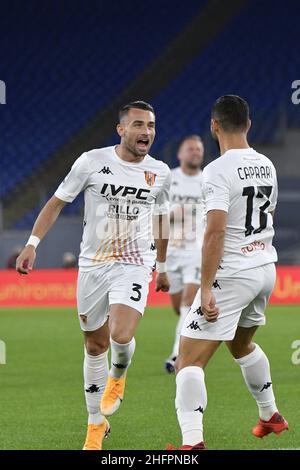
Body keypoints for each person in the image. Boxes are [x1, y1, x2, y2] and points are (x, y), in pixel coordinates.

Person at [16, 100, 171, 450]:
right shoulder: (92, 161)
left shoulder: (161, 172)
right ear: (121, 129)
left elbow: (164, 221)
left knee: (120, 332)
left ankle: (118, 375)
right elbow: (57, 202)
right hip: (93, 266)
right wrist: (32, 244)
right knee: (93, 344)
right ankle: (95, 424)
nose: (146, 131)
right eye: (138, 125)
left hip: (134, 263)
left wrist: (161, 265)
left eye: (151, 125)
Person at [168, 95, 288, 450]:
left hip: (233, 273)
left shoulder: (217, 170)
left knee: (187, 361)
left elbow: (215, 231)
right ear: (249, 124)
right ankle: (270, 416)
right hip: (265, 267)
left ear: (214, 126)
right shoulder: (266, 164)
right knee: (240, 343)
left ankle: (192, 444)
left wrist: (206, 288)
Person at [164, 135, 204, 373]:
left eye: (198, 149)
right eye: (190, 149)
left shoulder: (207, 180)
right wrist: (171, 213)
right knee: (179, 307)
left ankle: (177, 355)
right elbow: (154, 211)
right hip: (170, 252)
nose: (195, 152)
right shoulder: (169, 178)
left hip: (195, 251)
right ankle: (191, 337)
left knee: (189, 305)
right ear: (180, 154)